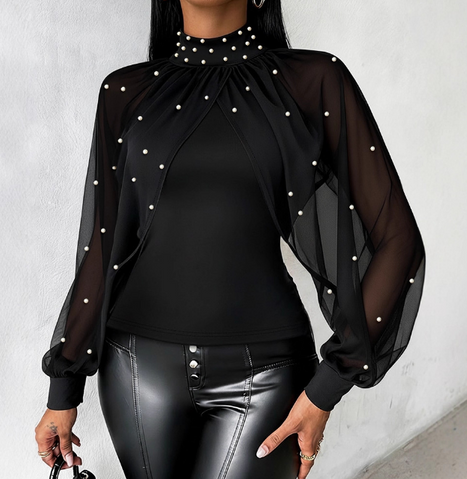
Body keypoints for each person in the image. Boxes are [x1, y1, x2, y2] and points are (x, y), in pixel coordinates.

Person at [34, 0, 426, 478]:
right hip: (136, 369)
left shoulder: (313, 79)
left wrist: (326, 389)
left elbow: (398, 239)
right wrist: (63, 389)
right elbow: (103, 246)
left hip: (268, 373)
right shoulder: (125, 91)